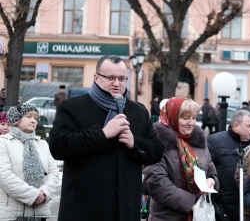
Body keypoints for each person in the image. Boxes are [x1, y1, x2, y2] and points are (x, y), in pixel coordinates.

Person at [48, 55, 164, 221]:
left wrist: (134, 143)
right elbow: (58, 146)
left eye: (122, 78)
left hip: (125, 210)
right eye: (110, 78)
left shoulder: (138, 111)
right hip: (83, 210)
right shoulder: (72, 107)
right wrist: (102, 134)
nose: (117, 83)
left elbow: (157, 151)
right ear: (96, 78)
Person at [143, 97, 219, 220]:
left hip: (199, 214)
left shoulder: (198, 142)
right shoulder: (158, 143)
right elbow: (157, 183)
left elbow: (211, 171)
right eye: (185, 118)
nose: (191, 122)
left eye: (194, 118)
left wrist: (211, 181)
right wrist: (190, 203)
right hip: (166, 216)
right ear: (171, 118)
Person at [0, 103, 59, 220]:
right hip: (11, 214)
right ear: (16, 120)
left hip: (39, 213)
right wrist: (33, 196)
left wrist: (44, 193)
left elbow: (54, 173)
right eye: (29, 116)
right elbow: (4, 175)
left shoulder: (42, 144)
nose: (33, 121)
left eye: (36, 118)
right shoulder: (3, 143)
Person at [207, 110, 250, 221]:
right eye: (249, 126)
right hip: (221, 206)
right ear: (236, 126)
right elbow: (206, 169)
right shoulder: (214, 142)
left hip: (248, 205)